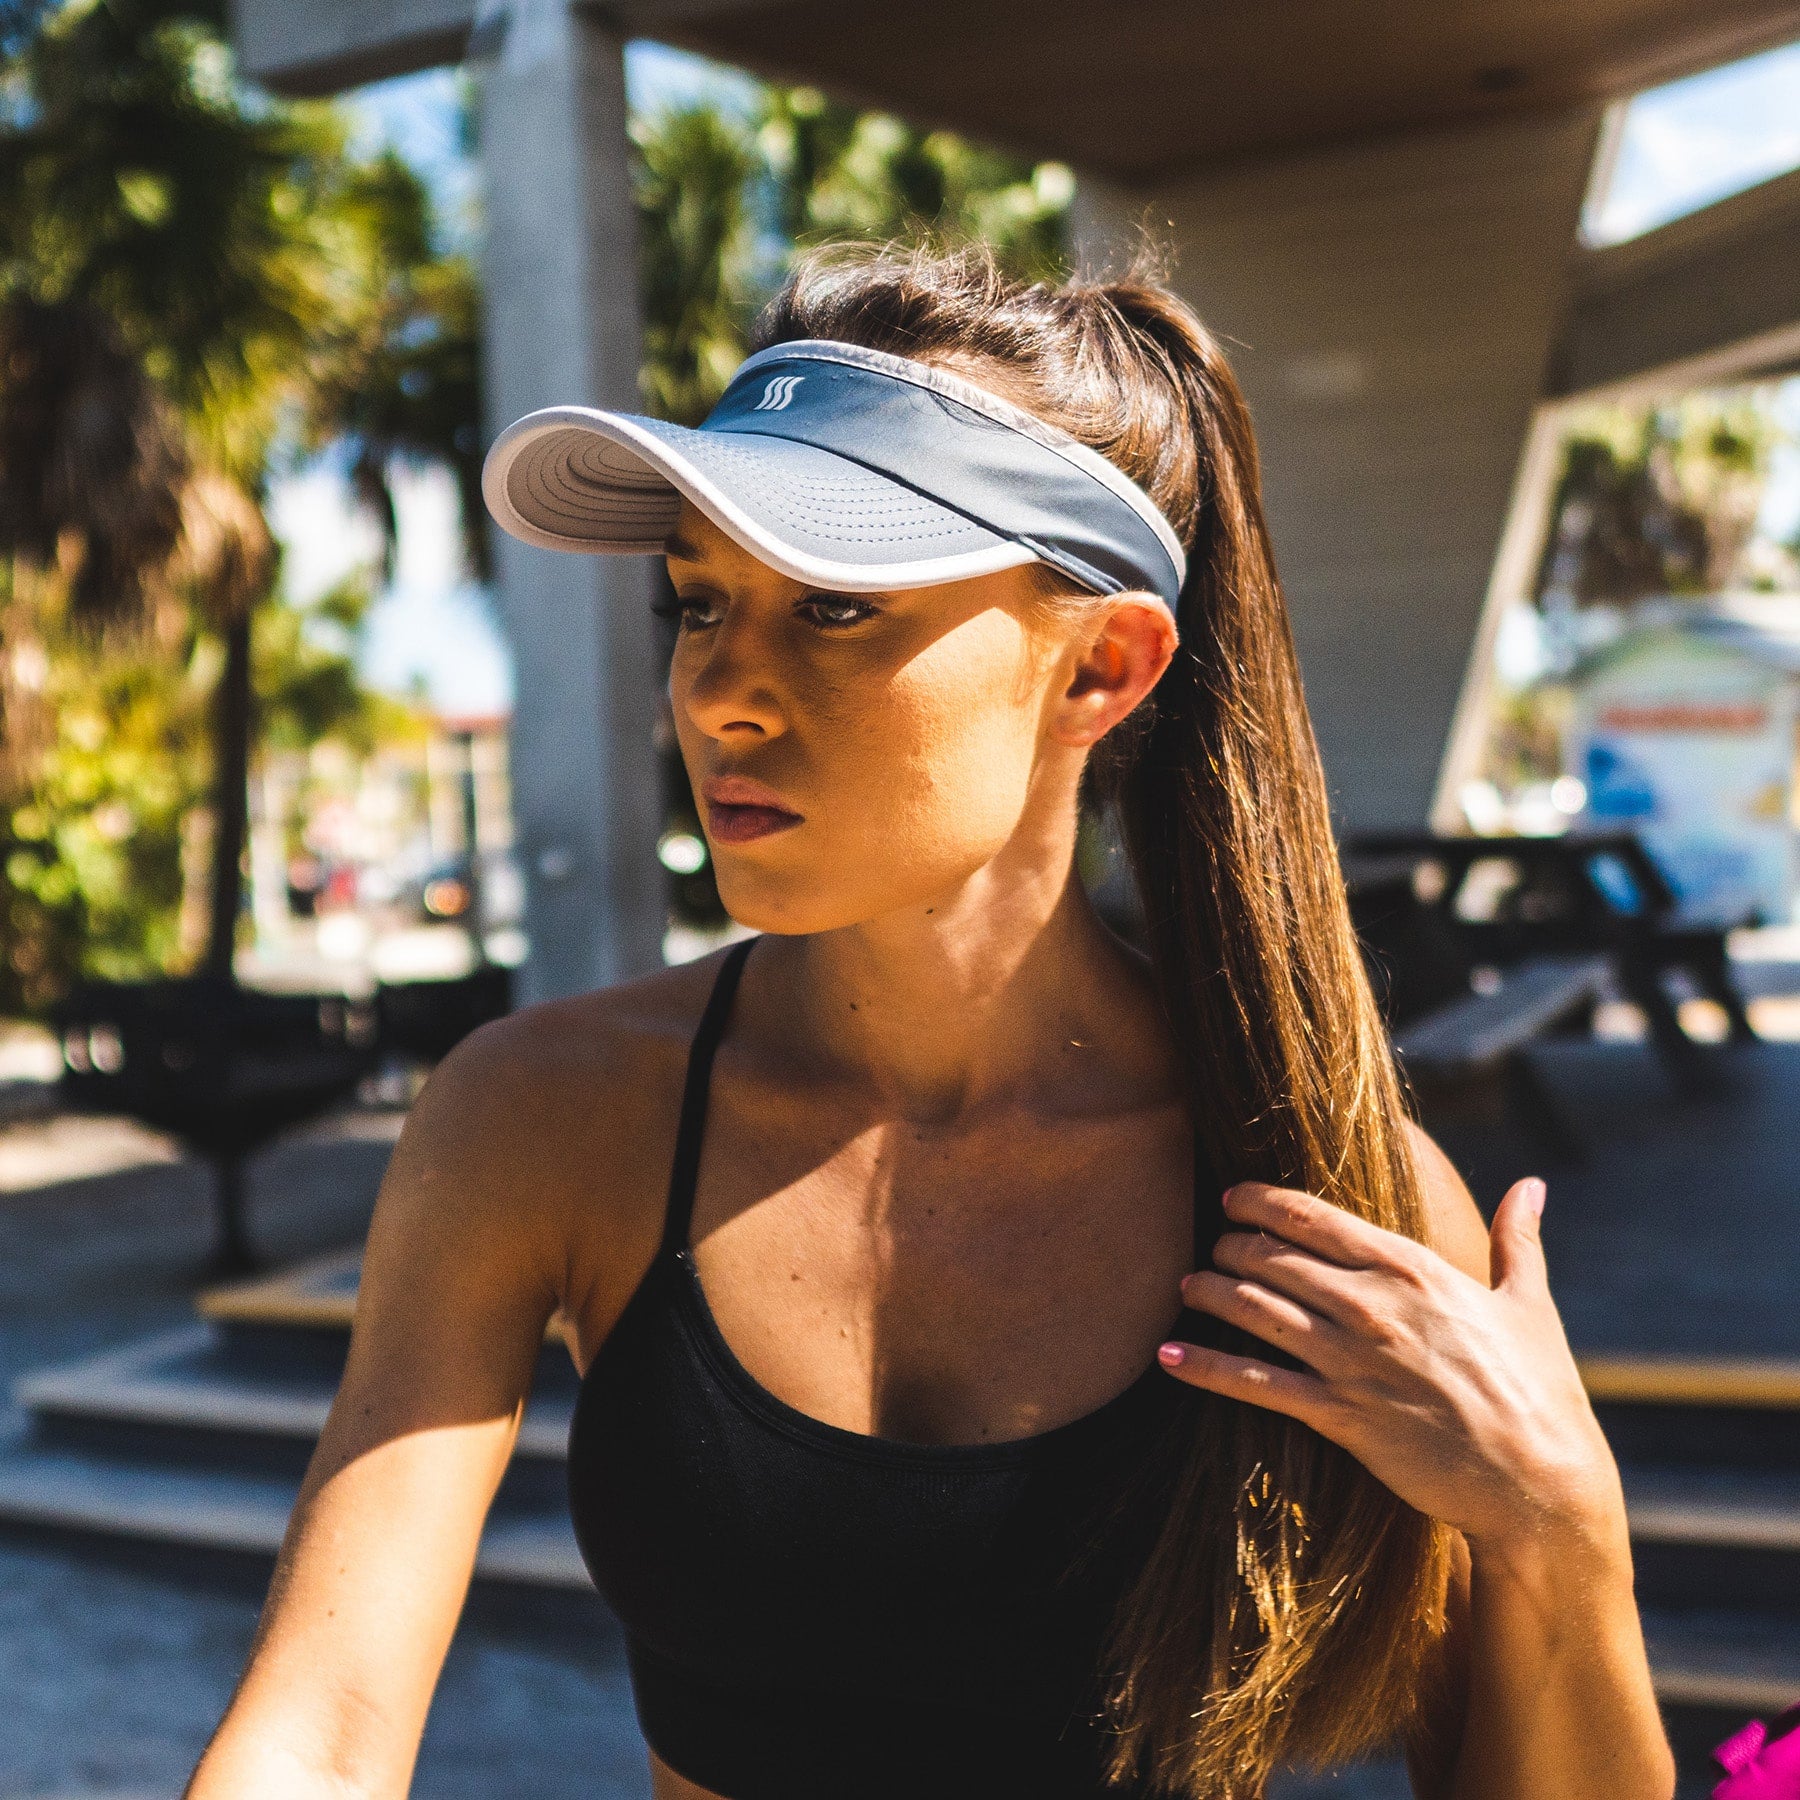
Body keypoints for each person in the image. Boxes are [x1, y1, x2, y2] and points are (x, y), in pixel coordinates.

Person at [187, 245, 1673, 1800]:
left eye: (833, 605)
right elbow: (325, 1732)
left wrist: (1564, 1529)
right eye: (698, 604)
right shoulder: (546, 1117)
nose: (718, 694)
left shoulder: (1324, 1187)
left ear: (1103, 665)